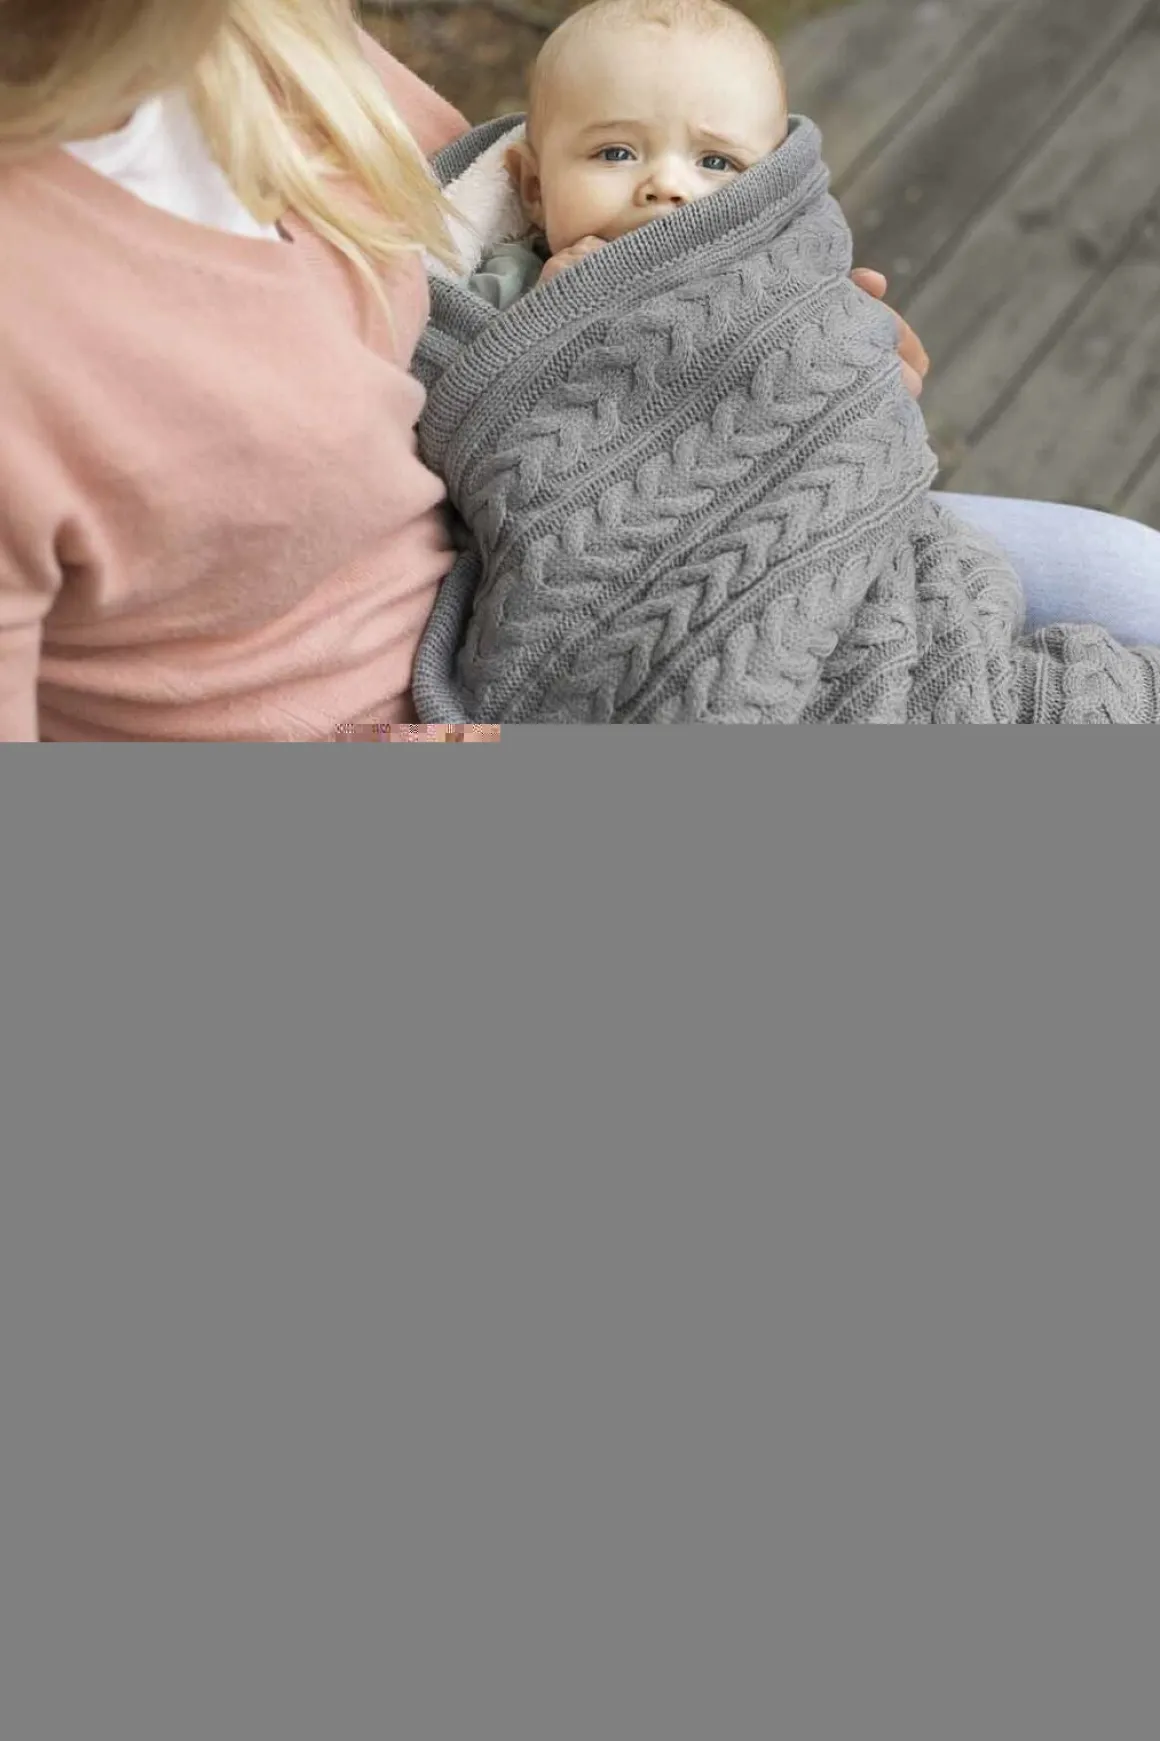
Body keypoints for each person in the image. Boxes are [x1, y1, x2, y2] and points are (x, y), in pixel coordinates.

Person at [1, 0, 1157, 738]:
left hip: (756, 528)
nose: (665, 186)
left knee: (1123, 574)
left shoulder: (265, 31)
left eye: (716, 166)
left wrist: (801, 367)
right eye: (618, 153)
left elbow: (465, 226)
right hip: (477, 675)